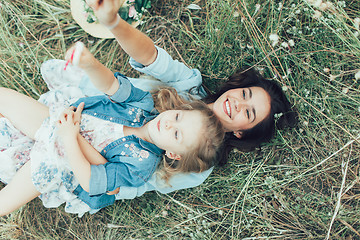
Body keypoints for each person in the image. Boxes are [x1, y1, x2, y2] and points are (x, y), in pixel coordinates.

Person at [60, 0, 297, 200]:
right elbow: (149, 57)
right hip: (87, 101)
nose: (238, 103)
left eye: (249, 113)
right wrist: (113, 22)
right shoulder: (189, 85)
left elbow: (124, 185)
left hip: (83, 159)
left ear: (241, 133)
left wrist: (76, 139)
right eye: (245, 94)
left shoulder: (198, 166)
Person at [0, 43, 225, 217]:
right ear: (180, 108)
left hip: (63, 162)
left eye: (177, 134)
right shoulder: (143, 103)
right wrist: (89, 63)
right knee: (5, 99)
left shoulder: (141, 166)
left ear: (174, 154)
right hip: (58, 120)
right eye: (178, 117)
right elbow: (111, 85)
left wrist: (70, 137)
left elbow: (90, 180)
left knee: (8, 200)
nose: (169, 124)